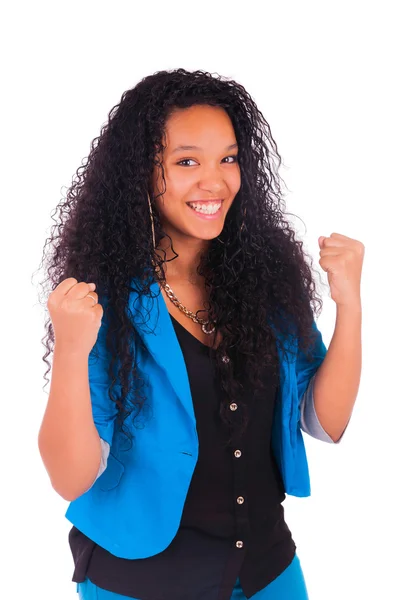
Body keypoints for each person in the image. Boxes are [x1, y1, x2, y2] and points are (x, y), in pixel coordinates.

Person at [38, 68, 362, 600]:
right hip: (145, 580)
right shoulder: (102, 299)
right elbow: (70, 478)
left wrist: (349, 305)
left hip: (266, 570)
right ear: (141, 173)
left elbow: (325, 424)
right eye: (186, 162)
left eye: (228, 158)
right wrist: (72, 350)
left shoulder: (265, 276)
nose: (213, 182)